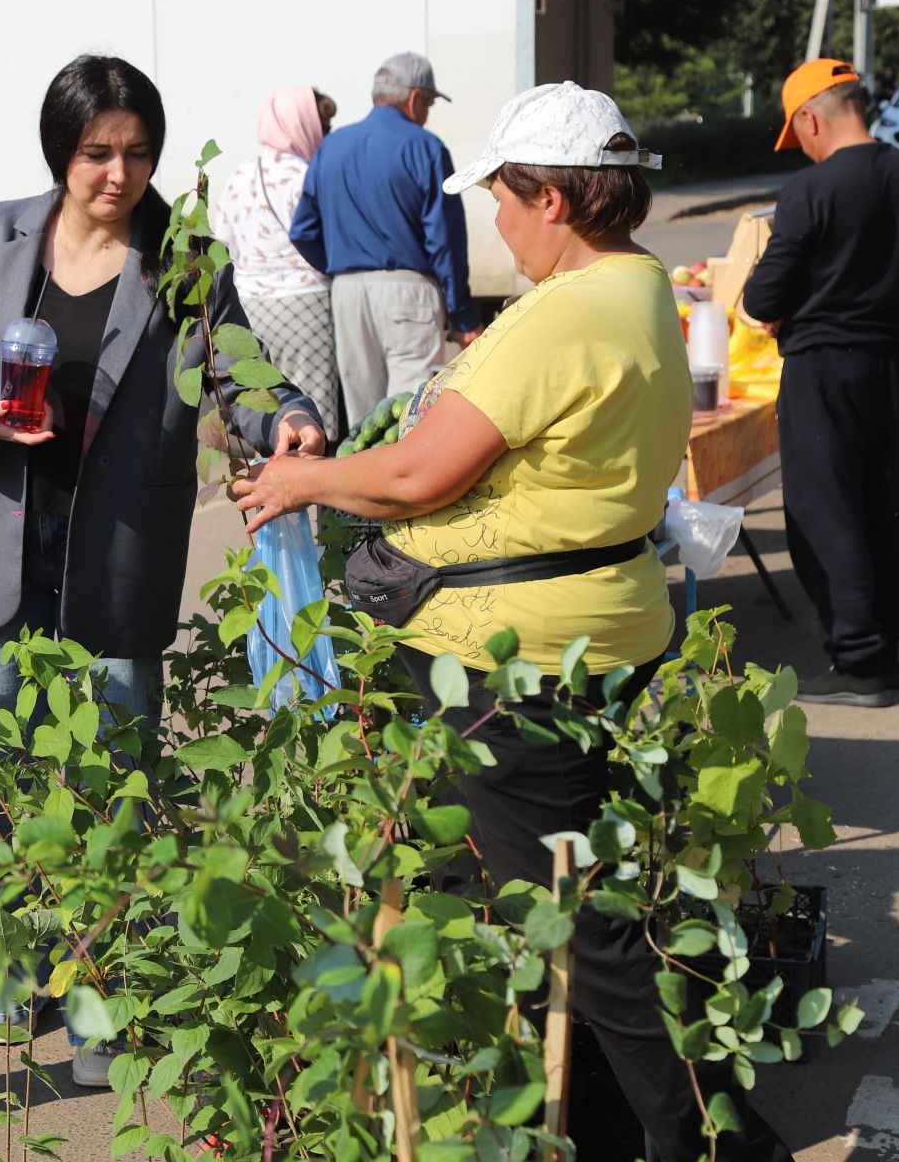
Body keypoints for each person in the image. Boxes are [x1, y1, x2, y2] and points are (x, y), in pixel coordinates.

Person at [235, 82, 794, 1162]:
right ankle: (585, 1117)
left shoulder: (570, 313)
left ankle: (718, 1144)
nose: (492, 216)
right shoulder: (633, 290)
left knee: (585, 927)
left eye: (501, 194)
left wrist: (302, 485)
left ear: (552, 198)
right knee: (550, 892)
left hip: (520, 659)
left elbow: (415, 472)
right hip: (585, 630)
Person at [0, 54, 324, 1088]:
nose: (117, 174)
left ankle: (102, 1001)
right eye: (98, 152)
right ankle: (5, 980)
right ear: (63, 149)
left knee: (112, 789)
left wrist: (289, 417)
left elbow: (236, 369)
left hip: (119, 557)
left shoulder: (179, 254)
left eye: (137, 153)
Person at [741, 58, 899, 706]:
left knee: (824, 510)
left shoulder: (811, 191)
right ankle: (884, 648)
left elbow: (761, 295)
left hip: (823, 367)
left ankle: (859, 661)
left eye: (796, 132)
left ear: (811, 118)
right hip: (895, 361)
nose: (801, 145)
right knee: (886, 503)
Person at [289, 51, 479, 430]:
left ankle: (365, 488)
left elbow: (302, 231)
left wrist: (341, 265)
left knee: (364, 421)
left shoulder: (331, 146)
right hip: (408, 290)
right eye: (428, 103)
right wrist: (462, 314)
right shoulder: (426, 147)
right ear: (414, 99)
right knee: (411, 414)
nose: (426, 113)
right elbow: (445, 239)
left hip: (347, 294)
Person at [212, 86, 341, 431]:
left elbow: (224, 246)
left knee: (262, 405)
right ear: (303, 126)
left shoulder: (238, 177)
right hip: (306, 308)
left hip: (250, 307)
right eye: (321, 126)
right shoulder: (309, 176)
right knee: (308, 417)